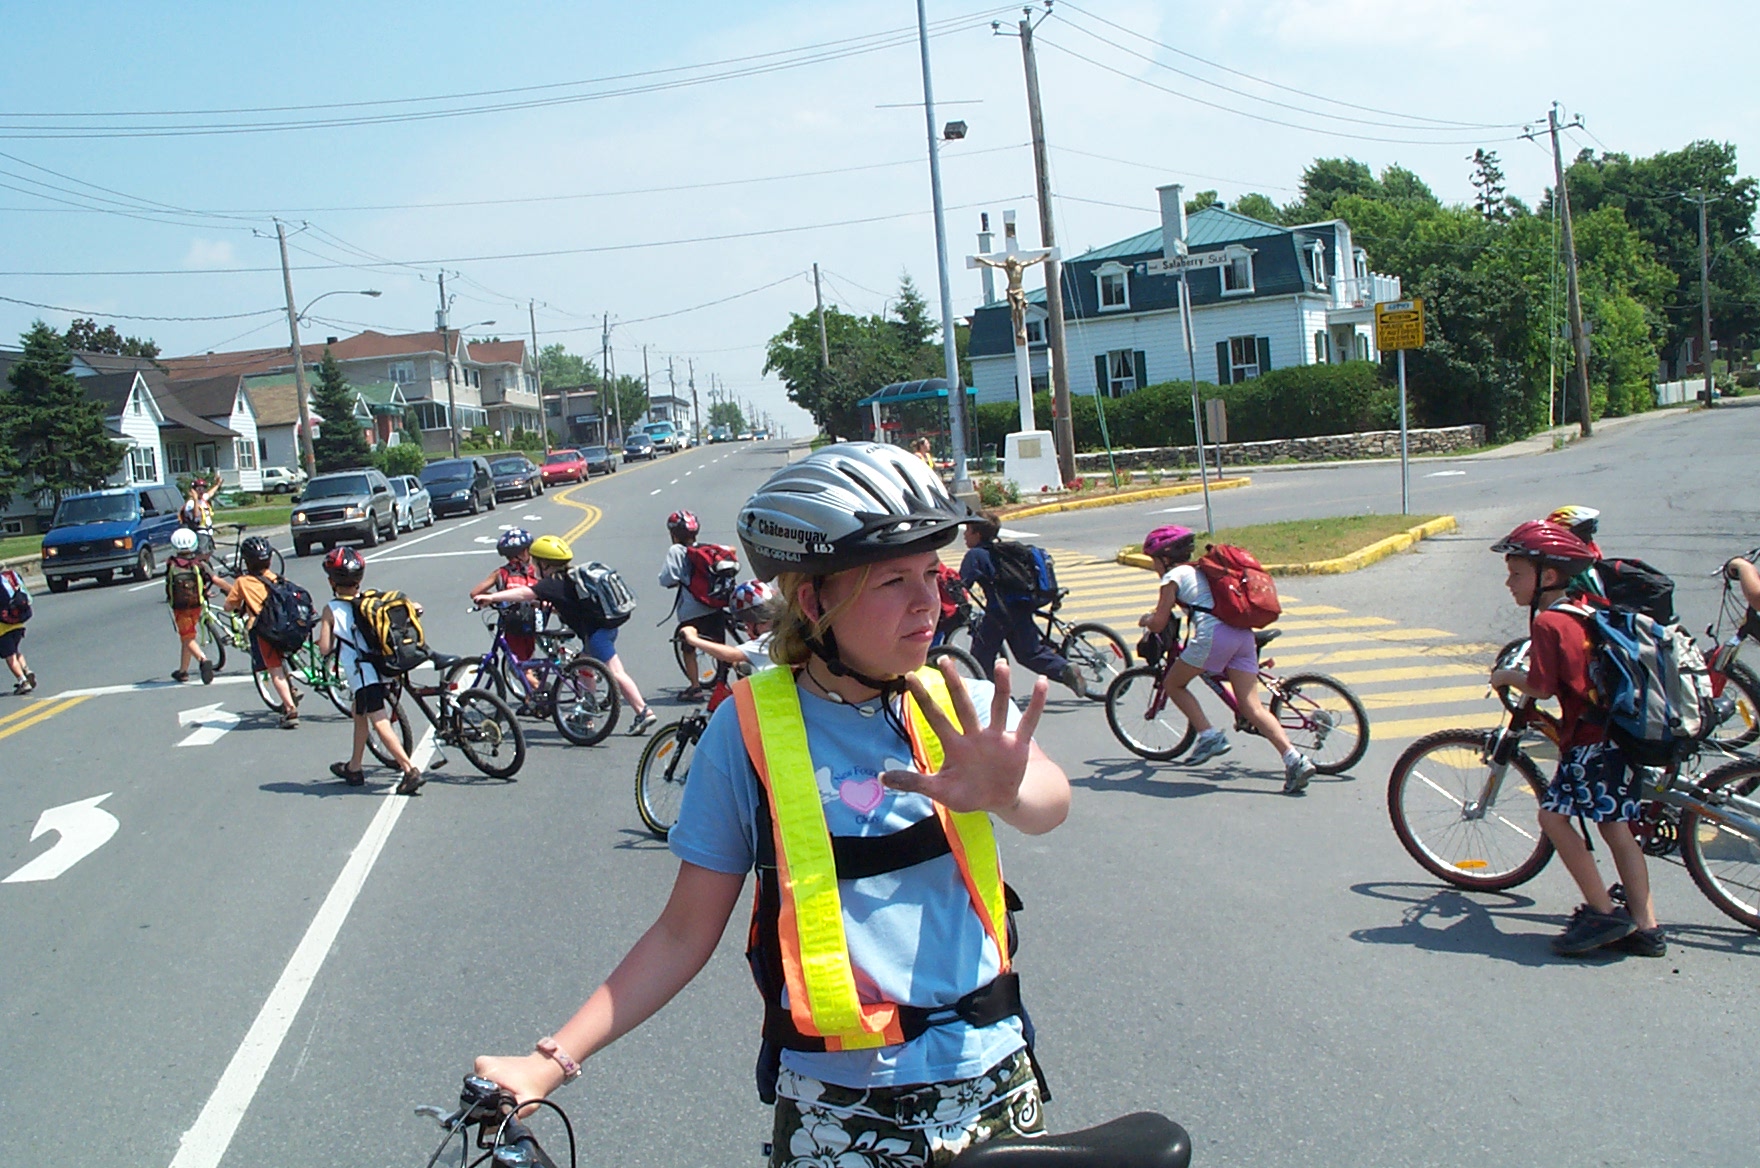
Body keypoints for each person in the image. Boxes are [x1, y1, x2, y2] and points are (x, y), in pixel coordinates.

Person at [472, 442, 1069, 1167]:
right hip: (841, 1104)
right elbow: (681, 933)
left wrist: (1007, 791)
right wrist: (551, 1061)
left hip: (992, 1078)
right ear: (815, 599)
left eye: (930, 576)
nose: (929, 603)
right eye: (893, 581)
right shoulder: (747, 727)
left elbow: (1048, 801)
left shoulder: (958, 703)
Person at [1486, 519, 1663, 957]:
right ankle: (1647, 926)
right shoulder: (1583, 608)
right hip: (1614, 738)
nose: (1509, 583)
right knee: (1616, 828)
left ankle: (1603, 911)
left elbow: (1541, 687)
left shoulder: (1548, 622)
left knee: (1553, 819)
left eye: (1516, 573)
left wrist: (1506, 675)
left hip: (1587, 745)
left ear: (1547, 576)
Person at [1137, 525, 1317, 794]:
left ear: (1164, 558)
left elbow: (1160, 621)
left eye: (1154, 560)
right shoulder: (1201, 570)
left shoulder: (1172, 577)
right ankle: (1295, 760)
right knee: (1252, 707)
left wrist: (1147, 620)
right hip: (1241, 635)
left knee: (1174, 683)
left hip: (1213, 636)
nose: (1154, 567)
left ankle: (1208, 736)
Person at [476, 534, 658, 735]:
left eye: (536, 563)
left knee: (615, 673)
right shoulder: (569, 576)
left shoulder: (551, 582)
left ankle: (642, 711)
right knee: (583, 665)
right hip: (606, 627)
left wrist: (491, 597)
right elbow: (570, 606)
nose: (534, 568)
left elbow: (523, 593)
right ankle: (586, 713)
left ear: (544, 564)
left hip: (596, 633)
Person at [316, 547, 423, 794]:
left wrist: (326, 632)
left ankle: (409, 770)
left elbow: (324, 649)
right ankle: (354, 767)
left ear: (332, 581)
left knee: (379, 720)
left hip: (362, 674)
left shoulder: (331, 609)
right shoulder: (370, 602)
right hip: (382, 667)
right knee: (359, 713)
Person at [959, 514, 1087, 698]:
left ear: (977, 534)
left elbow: (961, 584)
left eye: (968, 531)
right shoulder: (1002, 550)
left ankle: (993, 697)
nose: (964, 536)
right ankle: (1063, 668)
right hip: (1021, 606)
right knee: (1029, 653)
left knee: (981, 656)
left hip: (999, 613)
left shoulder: (975, 555)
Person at [224, 535, 299, 729]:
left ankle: (290, 709)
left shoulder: (242, 582)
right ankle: (292, 684)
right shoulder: (277, 578)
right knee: (284, 656)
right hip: (288, 627)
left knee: (274, 669)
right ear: (270, 559)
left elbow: (228, 606)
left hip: (265, 630)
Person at [470, 528, 545, 700]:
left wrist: (491, 599)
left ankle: (540, 691)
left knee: (519, 664)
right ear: (525, 551)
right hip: (534, 621)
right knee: (528, 657)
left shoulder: (501, 573)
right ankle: (531, 698)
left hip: (513, 624)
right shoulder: (535, 570)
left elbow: (475, 593)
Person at [658, 509, 725, 699]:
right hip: (715, 604)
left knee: (688, 646)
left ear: (673, 534)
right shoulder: (706, 549)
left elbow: (667, 578)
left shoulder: (676, 551)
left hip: (692, 609)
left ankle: (695, 688)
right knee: (719, 645)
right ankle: (721, 683)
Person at [165, 526, 231, 684]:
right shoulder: (198, 564)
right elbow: (215, 579)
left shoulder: (171, 564)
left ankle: (203, 660)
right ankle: (183, 671)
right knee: (188, 637)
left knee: (187, 636)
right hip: (197, 604)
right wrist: (233, 589)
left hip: (180, 607)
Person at [678, 578, 779, 675]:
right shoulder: (786, 628)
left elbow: (731, 655)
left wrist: (693, 639)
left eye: (747, 621)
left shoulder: (768, 640)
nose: (746, 626)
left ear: (756, 619)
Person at [0, 570, 32, 695]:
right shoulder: (9, 579)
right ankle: (26, 670)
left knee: (10, 657)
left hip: (3, 627)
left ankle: (23, 681)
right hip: (18, 623)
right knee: (16, 651)